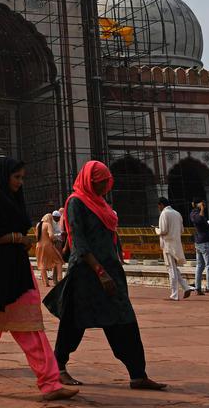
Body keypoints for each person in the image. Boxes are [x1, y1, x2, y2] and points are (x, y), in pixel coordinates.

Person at [46, 160, 166, 391]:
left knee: (124, 320)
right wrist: (100, 272)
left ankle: (137, 374)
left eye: (106, 183)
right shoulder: (76, 202)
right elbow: (79, 242)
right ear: (89, 181)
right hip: (85, 272)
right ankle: (58, 368)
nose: (105, 187)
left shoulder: (99, 203)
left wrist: (113, 266)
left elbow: (110, 236)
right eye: (100, 183)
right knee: (74, 322)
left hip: (110, 270)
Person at [0, 158, 77, 401]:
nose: (20, 182)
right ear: (5, 176)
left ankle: (49, 383)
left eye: (22, 178)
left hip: (17, 268)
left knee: (31, 327)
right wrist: (18, 238)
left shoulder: (13, 199)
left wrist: (20, 240)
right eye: (16, 177)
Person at [155, 198, 191, 301]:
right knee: (174, 268)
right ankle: (186, 287)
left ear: (161, 205)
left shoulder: (164, 214)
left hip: (168, 244)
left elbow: (163, 230)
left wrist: (156, 230)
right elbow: (182, 230)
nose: (158, 208)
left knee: (171, 269)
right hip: (176, 243)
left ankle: (174, 295)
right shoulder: (177, 213)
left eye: (158, 206)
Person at [189, 200, 209, 296]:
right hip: (204, 243)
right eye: (202, 204)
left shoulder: (194, 213)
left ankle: (198, 288)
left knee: (200, 266)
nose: (204, 206)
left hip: (200, 242)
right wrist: (202, 209)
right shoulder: (195, 214)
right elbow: (199, 220)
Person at [36, 210, 64, 287]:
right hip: (48, 245)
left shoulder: (38, 225)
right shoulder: (48, 224)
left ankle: (46, 283)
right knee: (59, 261)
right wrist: (55, 239)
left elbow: (37, 236)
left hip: (38, 246)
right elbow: (51, 235)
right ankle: (60, 278)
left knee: (42, 264)